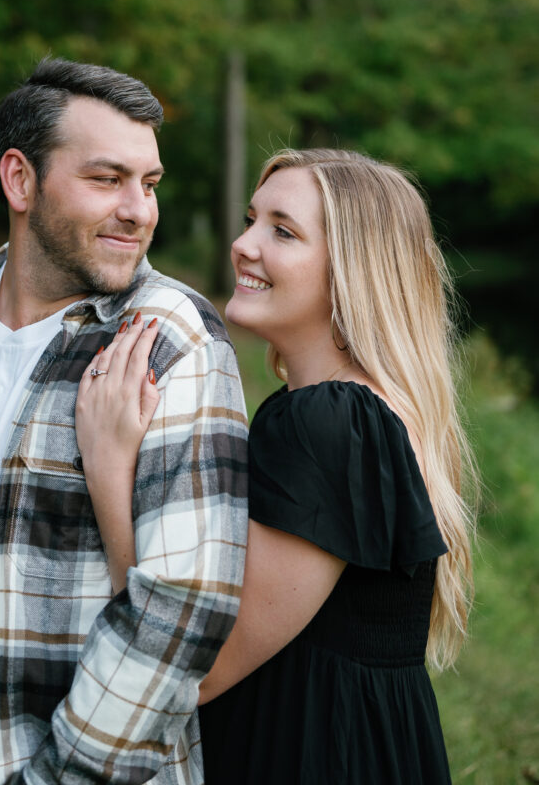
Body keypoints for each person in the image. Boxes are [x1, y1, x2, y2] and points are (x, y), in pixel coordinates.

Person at [0, 58, 249, 785]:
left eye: (149, 183)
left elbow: (178, 609)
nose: (139, 209)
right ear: (19, 180)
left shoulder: (168, 340)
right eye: (107, 179)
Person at [75, 147, 477, 784]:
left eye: (282, 231)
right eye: (251, 219)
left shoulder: (332, 422)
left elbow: (191, 671)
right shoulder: (365, 411)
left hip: (309, 752)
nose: (243, 244)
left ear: (354, 270)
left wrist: (108, 468)